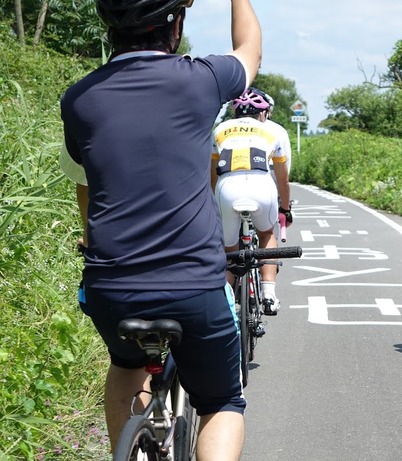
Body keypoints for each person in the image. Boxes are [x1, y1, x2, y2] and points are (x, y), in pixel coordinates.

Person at [59, 0, 261, 458]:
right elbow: (249, 50)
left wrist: (90, 239)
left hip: (113, 287)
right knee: (221, 401)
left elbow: (86, 183)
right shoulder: (202, 79)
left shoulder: (79, 99)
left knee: (126, 365)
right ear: (176, 25)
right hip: (194, 287)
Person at [211, 87, 292, 315]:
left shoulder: (220, 129)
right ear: (263, 113)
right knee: (267, 234)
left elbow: (213, 174)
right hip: (261, 186)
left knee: (230, 249)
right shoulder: (272, 131)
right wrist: (285, 208)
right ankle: (268, 294)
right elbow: (283, 180)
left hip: (226, 189)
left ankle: (223, 303)